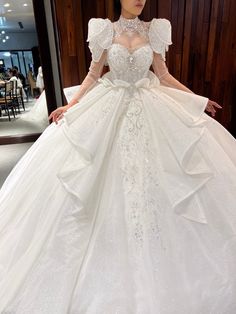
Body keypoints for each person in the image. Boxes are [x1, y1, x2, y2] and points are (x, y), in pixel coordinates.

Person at [0, 0, 236, 312]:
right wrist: (71, 106)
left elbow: (162, 74)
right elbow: (93, 74)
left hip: (151, 105)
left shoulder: (155, 30)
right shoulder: (102, 30)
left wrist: (196, 99)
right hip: (109, 106)